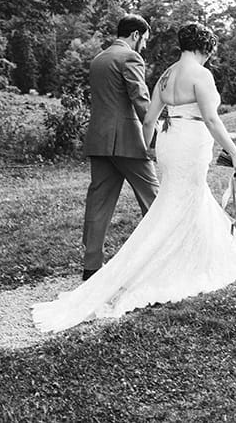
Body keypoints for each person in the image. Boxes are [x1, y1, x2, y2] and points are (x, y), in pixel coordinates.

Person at [32, 22, 236, 333]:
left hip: (161, 143)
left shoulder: (163, 74)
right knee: (173, 202)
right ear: (205, 47)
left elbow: (150, 118)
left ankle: (102, 263)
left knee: (164, 200)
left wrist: (151, 147)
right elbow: (209, 118)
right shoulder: (200, 75)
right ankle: (172, 260)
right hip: (184, 143)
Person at [79, 14, 158, 282]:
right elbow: (142, 101)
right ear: (135, 35)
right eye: (144, 40)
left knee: (98, 204)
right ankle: (161, 257)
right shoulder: (130, 58)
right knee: (155, 200)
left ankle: (91, 268)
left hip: (99, 141)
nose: (144, 46)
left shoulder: (98, 59)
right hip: (127, 141)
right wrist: (157, 139)